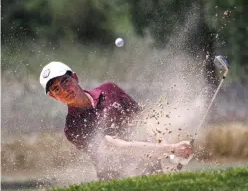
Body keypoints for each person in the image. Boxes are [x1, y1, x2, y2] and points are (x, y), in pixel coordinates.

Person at [39, 61, 193, 180]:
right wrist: (171, 149)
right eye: (56, 89)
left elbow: (144, 119)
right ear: (53, 96)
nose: (64, 90)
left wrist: (167, 147)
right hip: (118, 181)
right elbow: (120, 147)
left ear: (75, 77)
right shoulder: (73, 128)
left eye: (65, 81)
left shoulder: (109, 89)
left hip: (151, 167)